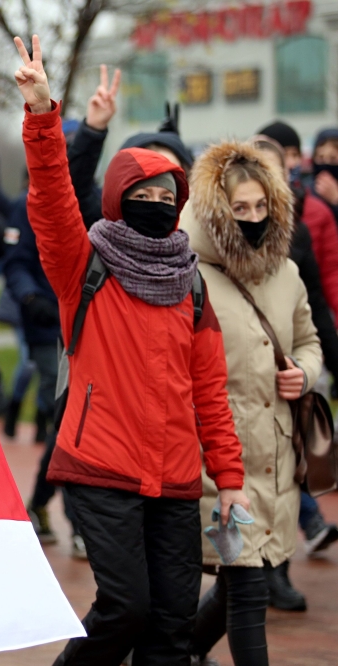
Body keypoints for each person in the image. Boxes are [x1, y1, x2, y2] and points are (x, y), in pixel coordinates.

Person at [13, 35, 248, 665]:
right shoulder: (83, 262)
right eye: (140, 199)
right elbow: (52, 201)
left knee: (172, 626)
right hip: (100, 466)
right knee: (125, 608)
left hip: (174, 478)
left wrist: (229, 480)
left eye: (165, 200)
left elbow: (209, 393)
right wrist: (42, 117)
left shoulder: (190, 282)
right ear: (118, 202)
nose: (154, 207)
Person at [181, 139, 321, 665]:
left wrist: (304, 375)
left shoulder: (286, 273)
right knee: (248, 588)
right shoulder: (191, 276)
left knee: (249, 576)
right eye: (240, 209)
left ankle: (183, 652)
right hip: (220, 461)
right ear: (217, 211)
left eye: (262, 207)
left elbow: (309, 341)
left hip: (277, 457)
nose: (253, 217)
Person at [248, 137, 338, 606]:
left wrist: (315, 365)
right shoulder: (213, 235)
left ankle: (276, 570)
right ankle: (244, 574)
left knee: (286, 476)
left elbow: (314, 310)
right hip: (240, 385)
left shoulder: (295, 233)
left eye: (281, 170)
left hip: (285, 383)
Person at [67, 66, 193, 229]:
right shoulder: (104, 226)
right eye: (148, 169)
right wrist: (93, 130)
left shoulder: (204, 233)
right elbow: (74, 192)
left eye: (169, 171)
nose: (159, 180)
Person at [259, 121, 338, 316]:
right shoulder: (242, 215)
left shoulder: (316, 211)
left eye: (295, 155)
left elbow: (331, 275)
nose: (291, 163)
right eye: (283, 155)